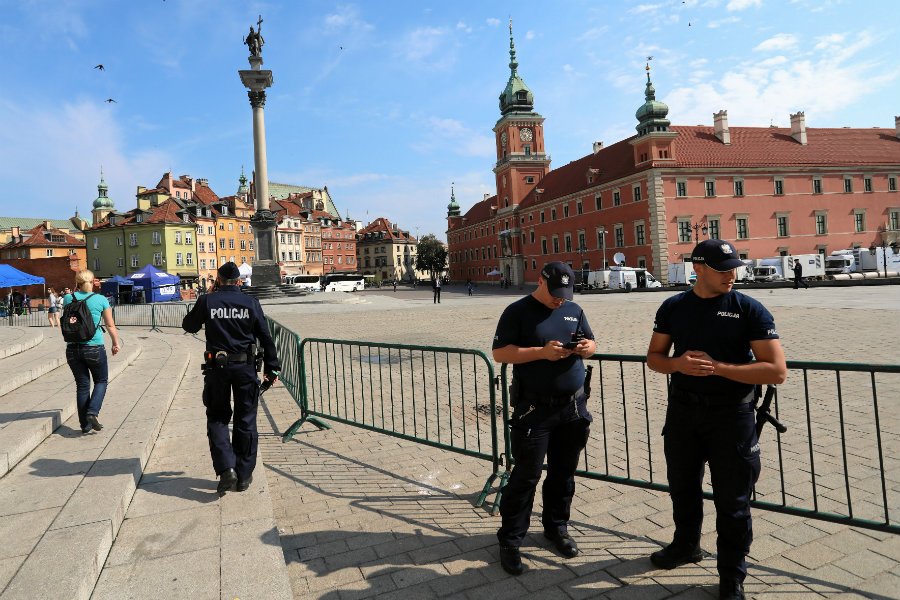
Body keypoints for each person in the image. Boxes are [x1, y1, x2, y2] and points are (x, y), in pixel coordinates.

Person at [645, 240, 786, 600]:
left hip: (732, 415)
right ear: (699, 268)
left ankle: (731, 576)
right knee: (683, 487)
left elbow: (776, 371)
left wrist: (718, 368)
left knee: (733, 501)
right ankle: (685, 546)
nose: (731, 274)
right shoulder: (674, 307)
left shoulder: (749, 308)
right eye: (723, 268)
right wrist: (678, 365)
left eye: (734, 267)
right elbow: (655, 358)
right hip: (683, 413)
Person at [492, 262, 597, 576]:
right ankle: (510, 540)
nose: (559, 300)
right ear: (539, 282)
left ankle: (556, 528)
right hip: (534, 409)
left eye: (565, 294)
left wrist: (587, 347)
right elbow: (500, 353)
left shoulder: (573, 310)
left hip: (572, 408)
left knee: (564, 475)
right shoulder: (517, 311)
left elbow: (591, 344)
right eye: (555, 293)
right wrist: (541, 352)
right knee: (526, 476)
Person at [182, 262, 280, 497]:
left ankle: (227, 469)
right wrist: (272, 368)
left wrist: (206, 306)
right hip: (245, 367)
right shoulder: (251, 302)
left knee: (217, 417)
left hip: (217, 368)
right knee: (245, 419)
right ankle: (244, 476)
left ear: (218, 279)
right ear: (239, 281)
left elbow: (189, 326)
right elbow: (265, 337)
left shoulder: (208, 300)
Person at [63, 270, 122, 434]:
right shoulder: (101, 299)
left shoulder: (68, 298)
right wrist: (115, 343)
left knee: (82, 386)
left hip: (73, 348)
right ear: (93, 281)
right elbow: (110, 325)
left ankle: (85, 425)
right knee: (101, 381)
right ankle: (92, 412)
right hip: (94, 347)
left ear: (77, 282)